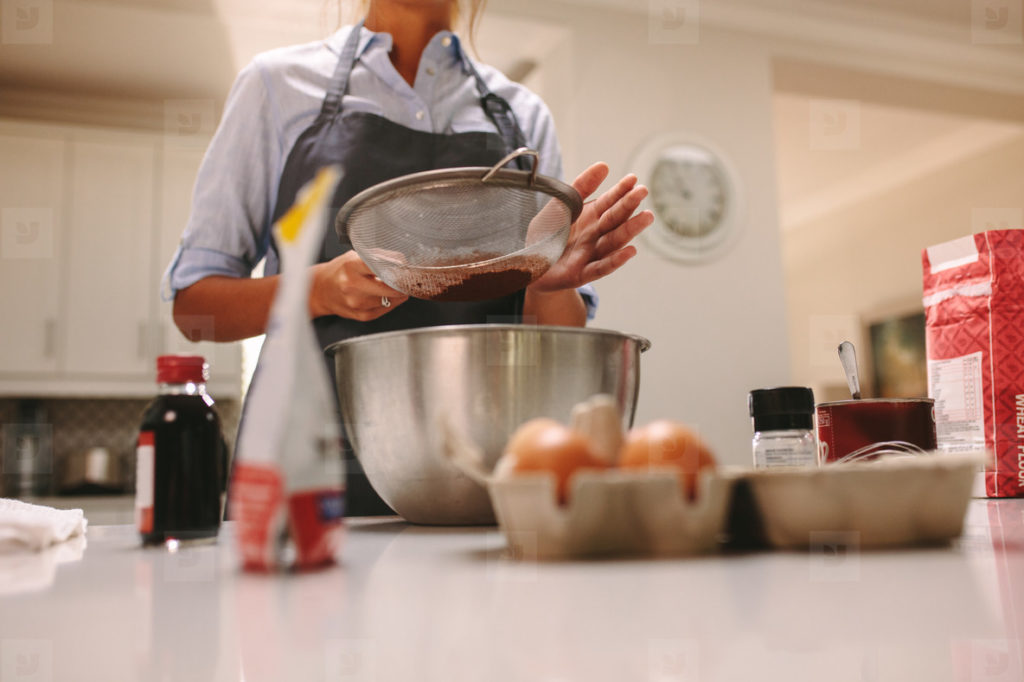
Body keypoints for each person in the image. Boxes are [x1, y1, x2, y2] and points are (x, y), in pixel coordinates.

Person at [164, 0, 654, 514]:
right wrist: (318, 289)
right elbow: (195, 310)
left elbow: (557, 331)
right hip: (307, 477)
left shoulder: (523, 116)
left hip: (478, 471)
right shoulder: (277, 87)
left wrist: (542, 279)